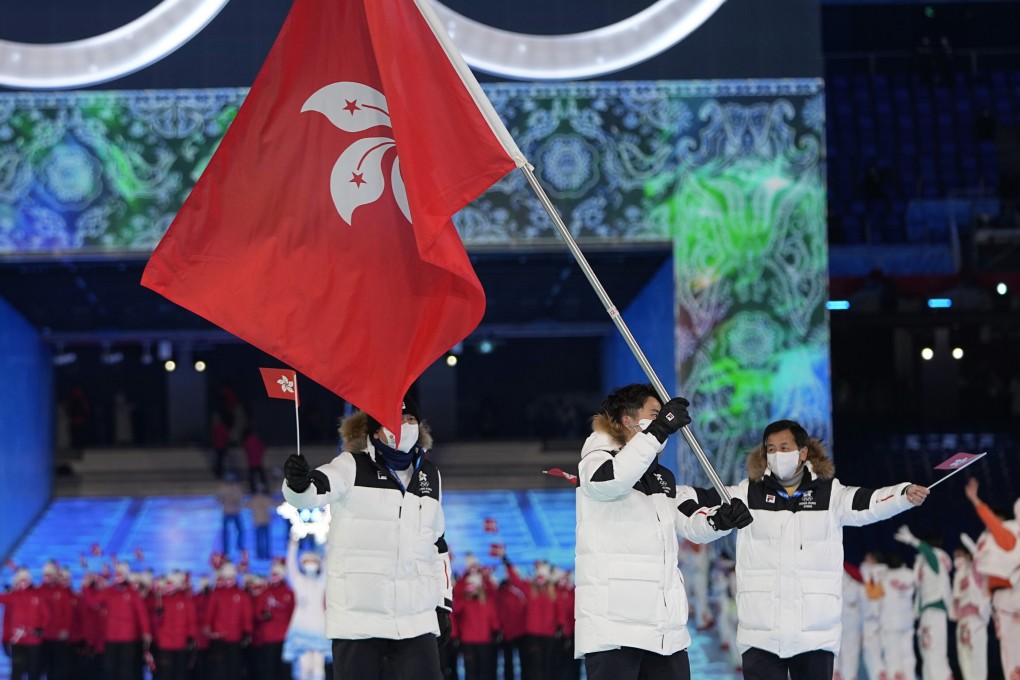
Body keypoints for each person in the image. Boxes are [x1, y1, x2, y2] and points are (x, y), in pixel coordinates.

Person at [684, 419, 929, 680]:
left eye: (784, 447)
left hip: (815, 636)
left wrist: (903, 495)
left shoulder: (830, 494)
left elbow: (870, 502)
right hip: (761, 635)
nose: (777, 455)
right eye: (771, 449)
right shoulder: (747, 493)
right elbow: (698, 508)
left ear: (802, 453)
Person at [574, 384, 752, 680]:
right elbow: (612, 480)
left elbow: (691, 523)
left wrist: (721, 520)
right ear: (627, 420)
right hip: (614, 629)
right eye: (654, 415)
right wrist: (658, 431)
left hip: (665, 632)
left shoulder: (662, 478)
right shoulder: (597, 460)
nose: (663, 423)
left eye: (663, 417)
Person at [282, 395, 453, 680]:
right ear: (375, 430)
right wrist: (297, 483)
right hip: (358, 618)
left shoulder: (430, 476)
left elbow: (438, 545)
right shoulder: (351, 466)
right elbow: (313, 491)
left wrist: (442, 603)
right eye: (397, 420)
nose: (406, 426)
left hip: (415, 618)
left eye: (411, 420)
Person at [963, 477, 1020, 680]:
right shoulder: (997, 538)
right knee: (1011, 656)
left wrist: (975, 501)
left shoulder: (1010, 532)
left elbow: (996, 529)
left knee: (1012, 657)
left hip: (1010, 598)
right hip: (1004, 600)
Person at [894, 525, 953, 680]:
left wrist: (913, 540)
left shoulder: (936, 559)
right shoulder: (924, 565)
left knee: (934, 654)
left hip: (935, 610)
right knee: (927, 655)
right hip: (926, 613)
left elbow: (930, 553)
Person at [951, 537, 991, 680]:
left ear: (967, 556)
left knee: (977, 662)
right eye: (955, 557)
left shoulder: (974, 570)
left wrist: (971, 546)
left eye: (959, 555)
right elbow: (954, 603)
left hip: (976, 620)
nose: (957, 560)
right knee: (965, 664)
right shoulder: (957, 576)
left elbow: (979, 562)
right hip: (962, 623)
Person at [0, 568, 48, 680]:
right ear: (16, 581)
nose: (23, 582)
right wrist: (5, 639)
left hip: (33, 640)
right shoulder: (12, 596)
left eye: (25, 580)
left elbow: (45, 616)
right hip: (18, 640)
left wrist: (41, 629)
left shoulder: (37, 596)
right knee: (17, 670)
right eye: (21, 580)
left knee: (34, 670)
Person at [254, 559, 295, 680]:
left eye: (276, 574)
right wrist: (263, 615)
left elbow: (293, 613)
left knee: (284, 668)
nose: (274, 577)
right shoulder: (266, 593)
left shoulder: (289, 593)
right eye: (272, 574)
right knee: (269, 669)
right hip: (269, 637)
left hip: (285, 637)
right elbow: (257, 612)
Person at [880, 553, 916, 680]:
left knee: (892, 657)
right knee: (908, 656)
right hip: (907, 622)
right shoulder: (910, 574)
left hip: (891, 624)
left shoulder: (885, 577)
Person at [833, 562, 863, 680]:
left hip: (847, 628)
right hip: (839, 626)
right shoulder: (856, 586)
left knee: (847, 660)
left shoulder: (856, 586)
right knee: (840, 660)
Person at [216, 473, 245, 555]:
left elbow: (239, 498)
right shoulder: (223, 488)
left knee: (240, 530)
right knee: (225, 532)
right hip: (227, 512)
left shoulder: (236, 488)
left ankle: (239, 546)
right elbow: (219, 499)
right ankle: (226, 549)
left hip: (235, 512)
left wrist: (231, 498)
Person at [244, 426, 269, 494]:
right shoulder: (257, 440)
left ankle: (253, 489)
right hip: (257, 461)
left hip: (252, 461)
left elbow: (247, 450)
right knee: (261, 475)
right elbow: (262, 448)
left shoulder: (248, 441)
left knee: (252, 476)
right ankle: (266, 488)